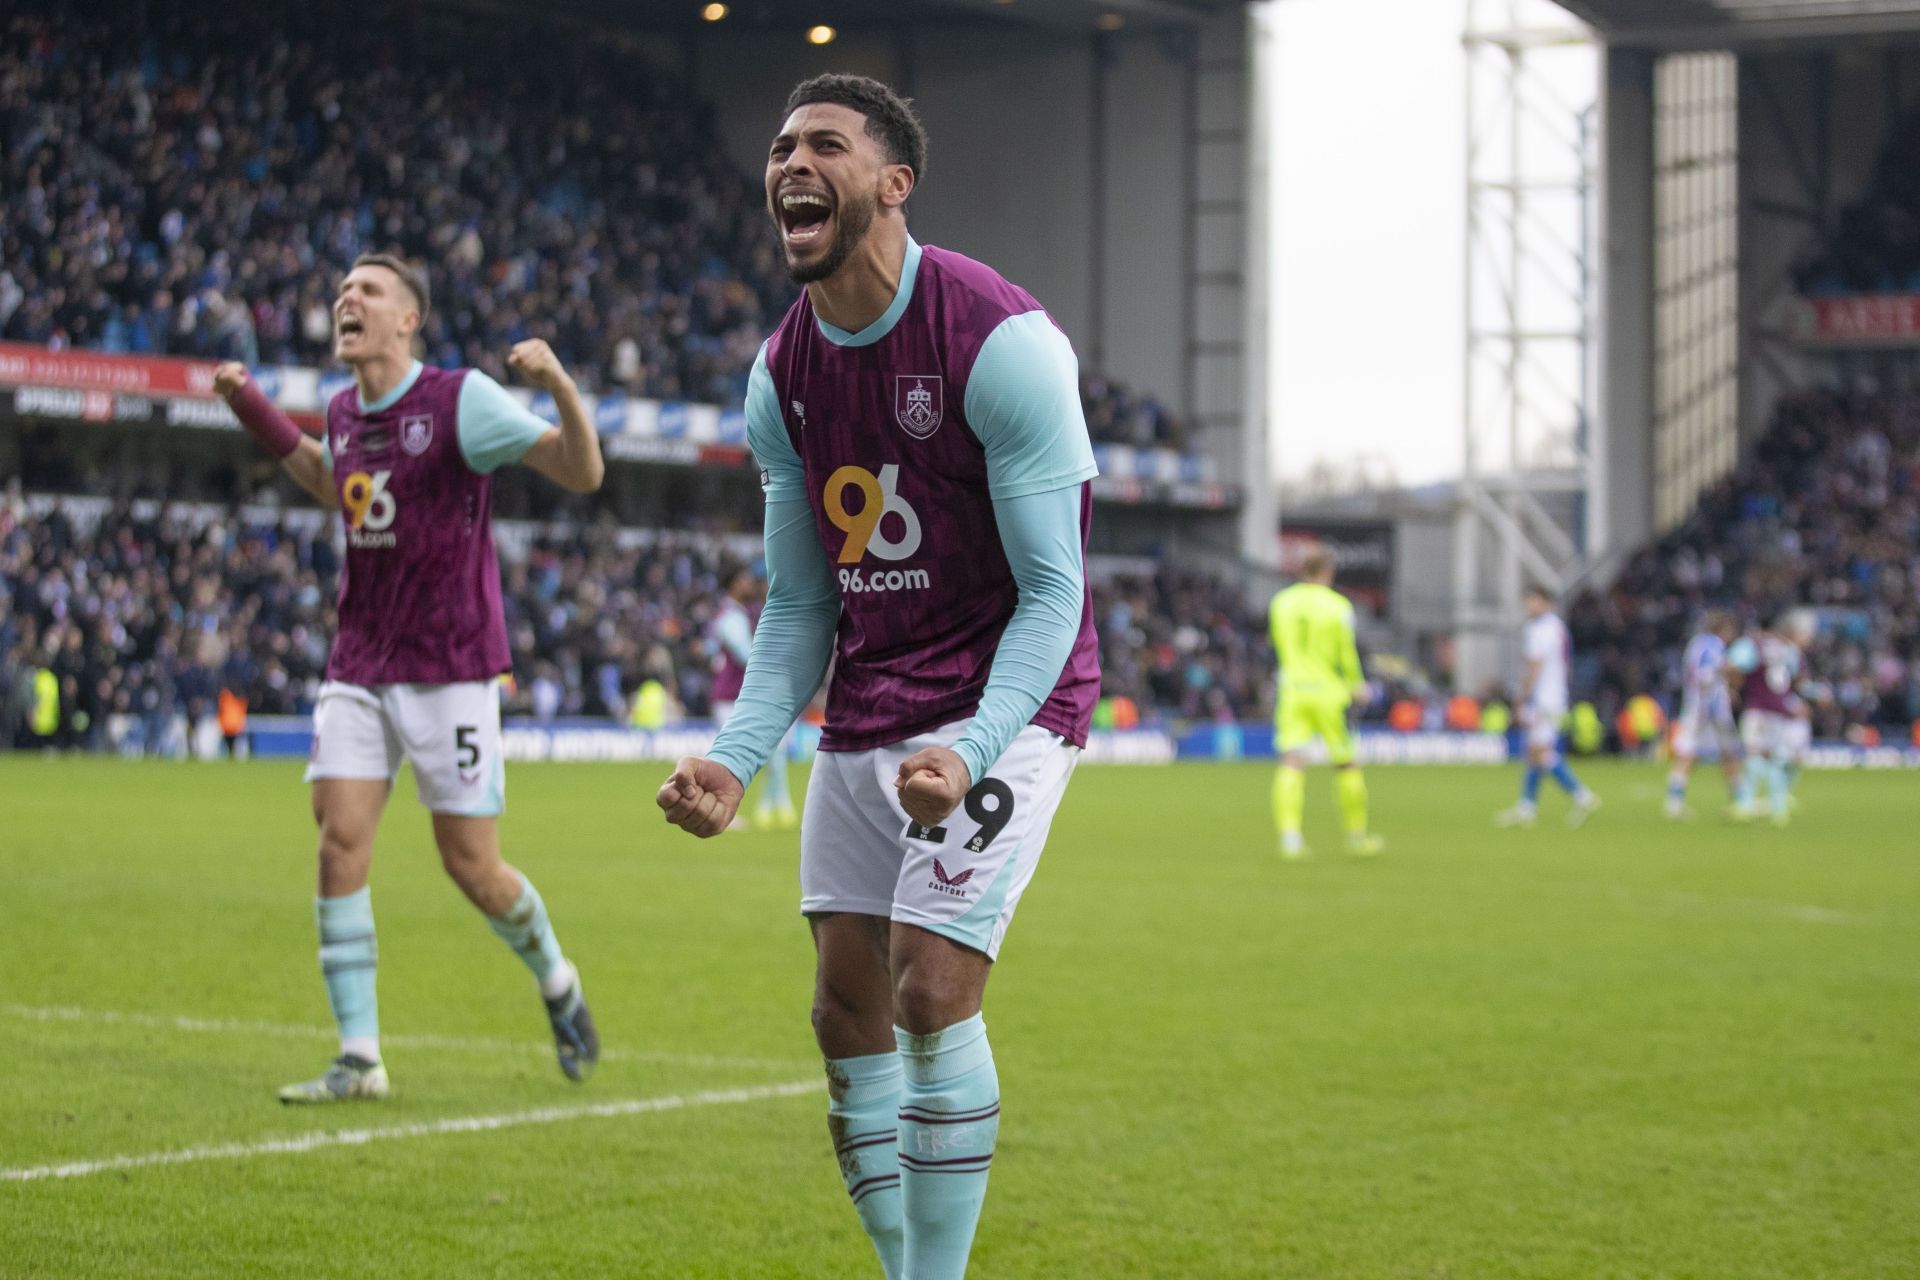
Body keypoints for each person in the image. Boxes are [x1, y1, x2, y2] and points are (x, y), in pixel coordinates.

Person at [654, 75, 1099, 1280]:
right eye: (782, 144)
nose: (792, 162)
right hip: (872, 701)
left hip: (1010, 695)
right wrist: (735, 756)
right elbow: (802, 600)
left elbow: (1056, 592)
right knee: (841, 1008)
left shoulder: (999, 342)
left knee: (929, 981)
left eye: (826, 145)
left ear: (893, 184)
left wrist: (973, 744)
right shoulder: (780, 375)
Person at [215, 252, 605, 1103]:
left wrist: (561, 386)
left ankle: (556, 977)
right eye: (342, 288)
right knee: (339, 840)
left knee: (472, 865)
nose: (345, 298)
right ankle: (360, 1057)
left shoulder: (460, 400)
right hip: (360, 658)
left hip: (451, 665)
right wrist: (252, 409)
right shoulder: (346, 411)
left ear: (407, 320)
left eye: (368, 290)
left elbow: (581, 473)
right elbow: (333, 481)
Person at [1268, 547, 1383, 858]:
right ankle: (1356, 836)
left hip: (1292, 690)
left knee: (1292, 762)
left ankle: (1290, 839)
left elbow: (1278, 642)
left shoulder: (1281, 602)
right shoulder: (1338, 606)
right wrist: (1356, 683)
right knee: (1346, 763)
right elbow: (1345, 650)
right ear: (1328, 572)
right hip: (1329, 693)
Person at [1495, 586, 1600, 828]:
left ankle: (1582, 795)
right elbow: (1567, 664)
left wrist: (1522, 696)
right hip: (1556, 695)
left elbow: (1535, 666)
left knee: (1540, 752)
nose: (1528, 606)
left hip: (1543, 698)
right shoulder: (1558, 628)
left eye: (1532, 601)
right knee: (1534, 751)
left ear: (1544, 602)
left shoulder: (1539, 629)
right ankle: (1527, 808)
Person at [709, 563, 798, 830]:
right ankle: (724, 811)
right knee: (730, 756)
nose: (750, 584)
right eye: (744, 579)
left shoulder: (736, 614)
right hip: (732, 697)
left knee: (773, 753)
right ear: (733, 584)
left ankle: (774, 806)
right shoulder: (730, 617)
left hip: (737, 695)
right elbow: (746, 655)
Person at [1728, 612, 1808, 825]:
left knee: (1754, 752)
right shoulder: (1787, 647)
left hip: (1758, 706)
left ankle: (1746, 805)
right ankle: (1779, 809)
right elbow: (1798, 677)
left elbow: (1733, 665)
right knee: (1776, 756)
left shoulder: (1751, 644)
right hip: (1780, 709)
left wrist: (1735, 687)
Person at [1665, 611, 1744, 819]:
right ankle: (1741, 799)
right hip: (1710, 708)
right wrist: (1728, 672)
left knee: (1688, 752)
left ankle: (1674, 801)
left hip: (1695, 705)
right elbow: (1705, 676)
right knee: (1729, 752)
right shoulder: (1713, 645)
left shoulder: (1695, 644)